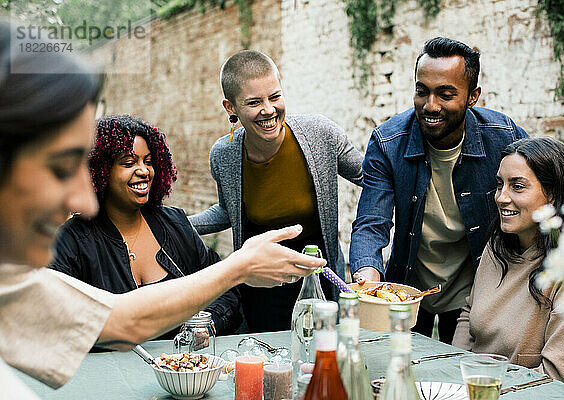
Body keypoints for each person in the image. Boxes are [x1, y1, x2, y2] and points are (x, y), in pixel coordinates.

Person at [0, 21, 325, 395]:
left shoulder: (11, 277)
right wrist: (240, 265)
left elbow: (117, 320)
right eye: (59, 167)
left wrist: (213, 309)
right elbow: (122, 324)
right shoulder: (68, 244)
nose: (83, 199)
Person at [349, 37, 528, 344]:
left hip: (475, 291)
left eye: (445, 94)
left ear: (473, 96)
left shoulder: (504, 138)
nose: (430, 105)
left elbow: (546, 195)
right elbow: (371, 223)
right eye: (422, 91)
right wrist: (367, 279)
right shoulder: (387, 143)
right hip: (408, 289)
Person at [189, 50, 363, 333]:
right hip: (261, 292)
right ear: (230, 107)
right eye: (254, 102)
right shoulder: (224, 155)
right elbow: (228, 210)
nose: (268, 109)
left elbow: (371, 177)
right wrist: (176, 224)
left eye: (275, 97)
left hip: (318, 285)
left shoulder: (320, 135)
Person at [49, 114, 242, 338]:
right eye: (129, 163)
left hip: (181, 367)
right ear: (100, 171)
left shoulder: (174, 223)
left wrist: (208, 325)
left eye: (148, 161)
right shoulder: (72, 241)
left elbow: (223, 286)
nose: (143, 171)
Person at [452, 137, 564, 386]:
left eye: (517, 187)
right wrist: (456, 369)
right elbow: (469, 315)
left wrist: (483, 386)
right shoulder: (497, 246)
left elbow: (557, 379)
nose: (501, 197)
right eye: (500, 185)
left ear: (553, 195)